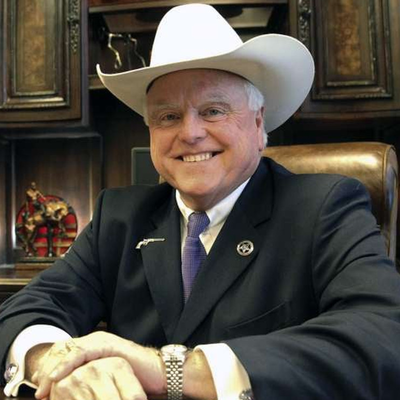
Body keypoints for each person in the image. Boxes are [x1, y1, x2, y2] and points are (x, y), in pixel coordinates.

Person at [1, 3, 400, 400]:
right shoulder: (119, 217)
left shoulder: (323, 207)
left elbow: (382, 336)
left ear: (258, 123)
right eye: (168, 117)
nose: (190, 133)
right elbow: (25, 310)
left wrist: (168, 370)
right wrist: (57, 363)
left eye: (213, 111)